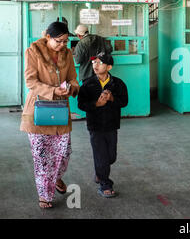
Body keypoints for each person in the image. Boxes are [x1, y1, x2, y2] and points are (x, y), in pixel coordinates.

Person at [20, 21, 80, 209]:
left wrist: (72, 87)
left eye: (65, 41)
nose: (63, 45)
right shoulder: (32, 52)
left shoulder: (67, 53)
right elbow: (30, 81)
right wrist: (53, 91)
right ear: (48, 37)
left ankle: (57, 177)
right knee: (42, 157)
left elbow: (72, 77)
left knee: (63, 154)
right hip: (39, 109)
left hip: (61, 109)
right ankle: (45, 195)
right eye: (59, 41)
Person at [77, 52, 128, 198]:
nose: (95, 65)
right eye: (94, 63)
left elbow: (124, 102)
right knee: (101, 156)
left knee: (111, 156)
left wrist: (112, 98)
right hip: (95, 126)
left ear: (109, 66)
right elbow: (81, 104)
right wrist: (96, 104)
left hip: (112, 125)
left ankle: (100, 172)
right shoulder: (88, 84)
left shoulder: (118, 84)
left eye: (100, 63)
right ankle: (105, 184)